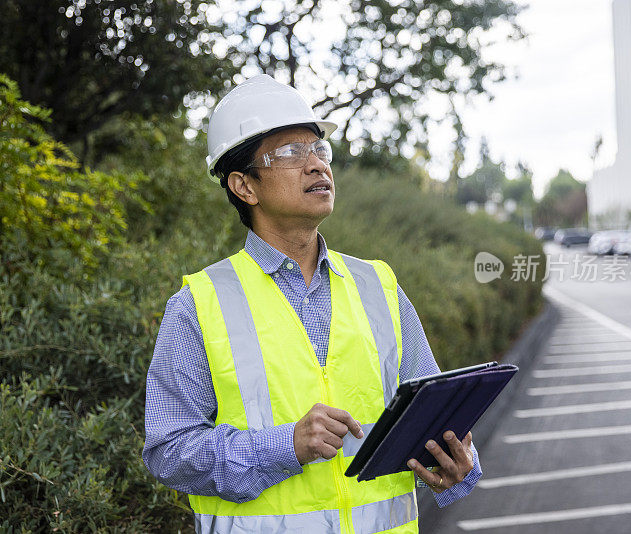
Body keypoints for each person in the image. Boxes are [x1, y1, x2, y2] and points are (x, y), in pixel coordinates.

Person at [143, 74, 482, 534]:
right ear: (244, 186)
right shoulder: (198, 305)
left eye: (319, 149)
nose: (316, 165)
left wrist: (457, 464)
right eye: (288, 153)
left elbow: (432, 411)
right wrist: (286, 446)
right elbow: (168, 451)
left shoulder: (378, 284)